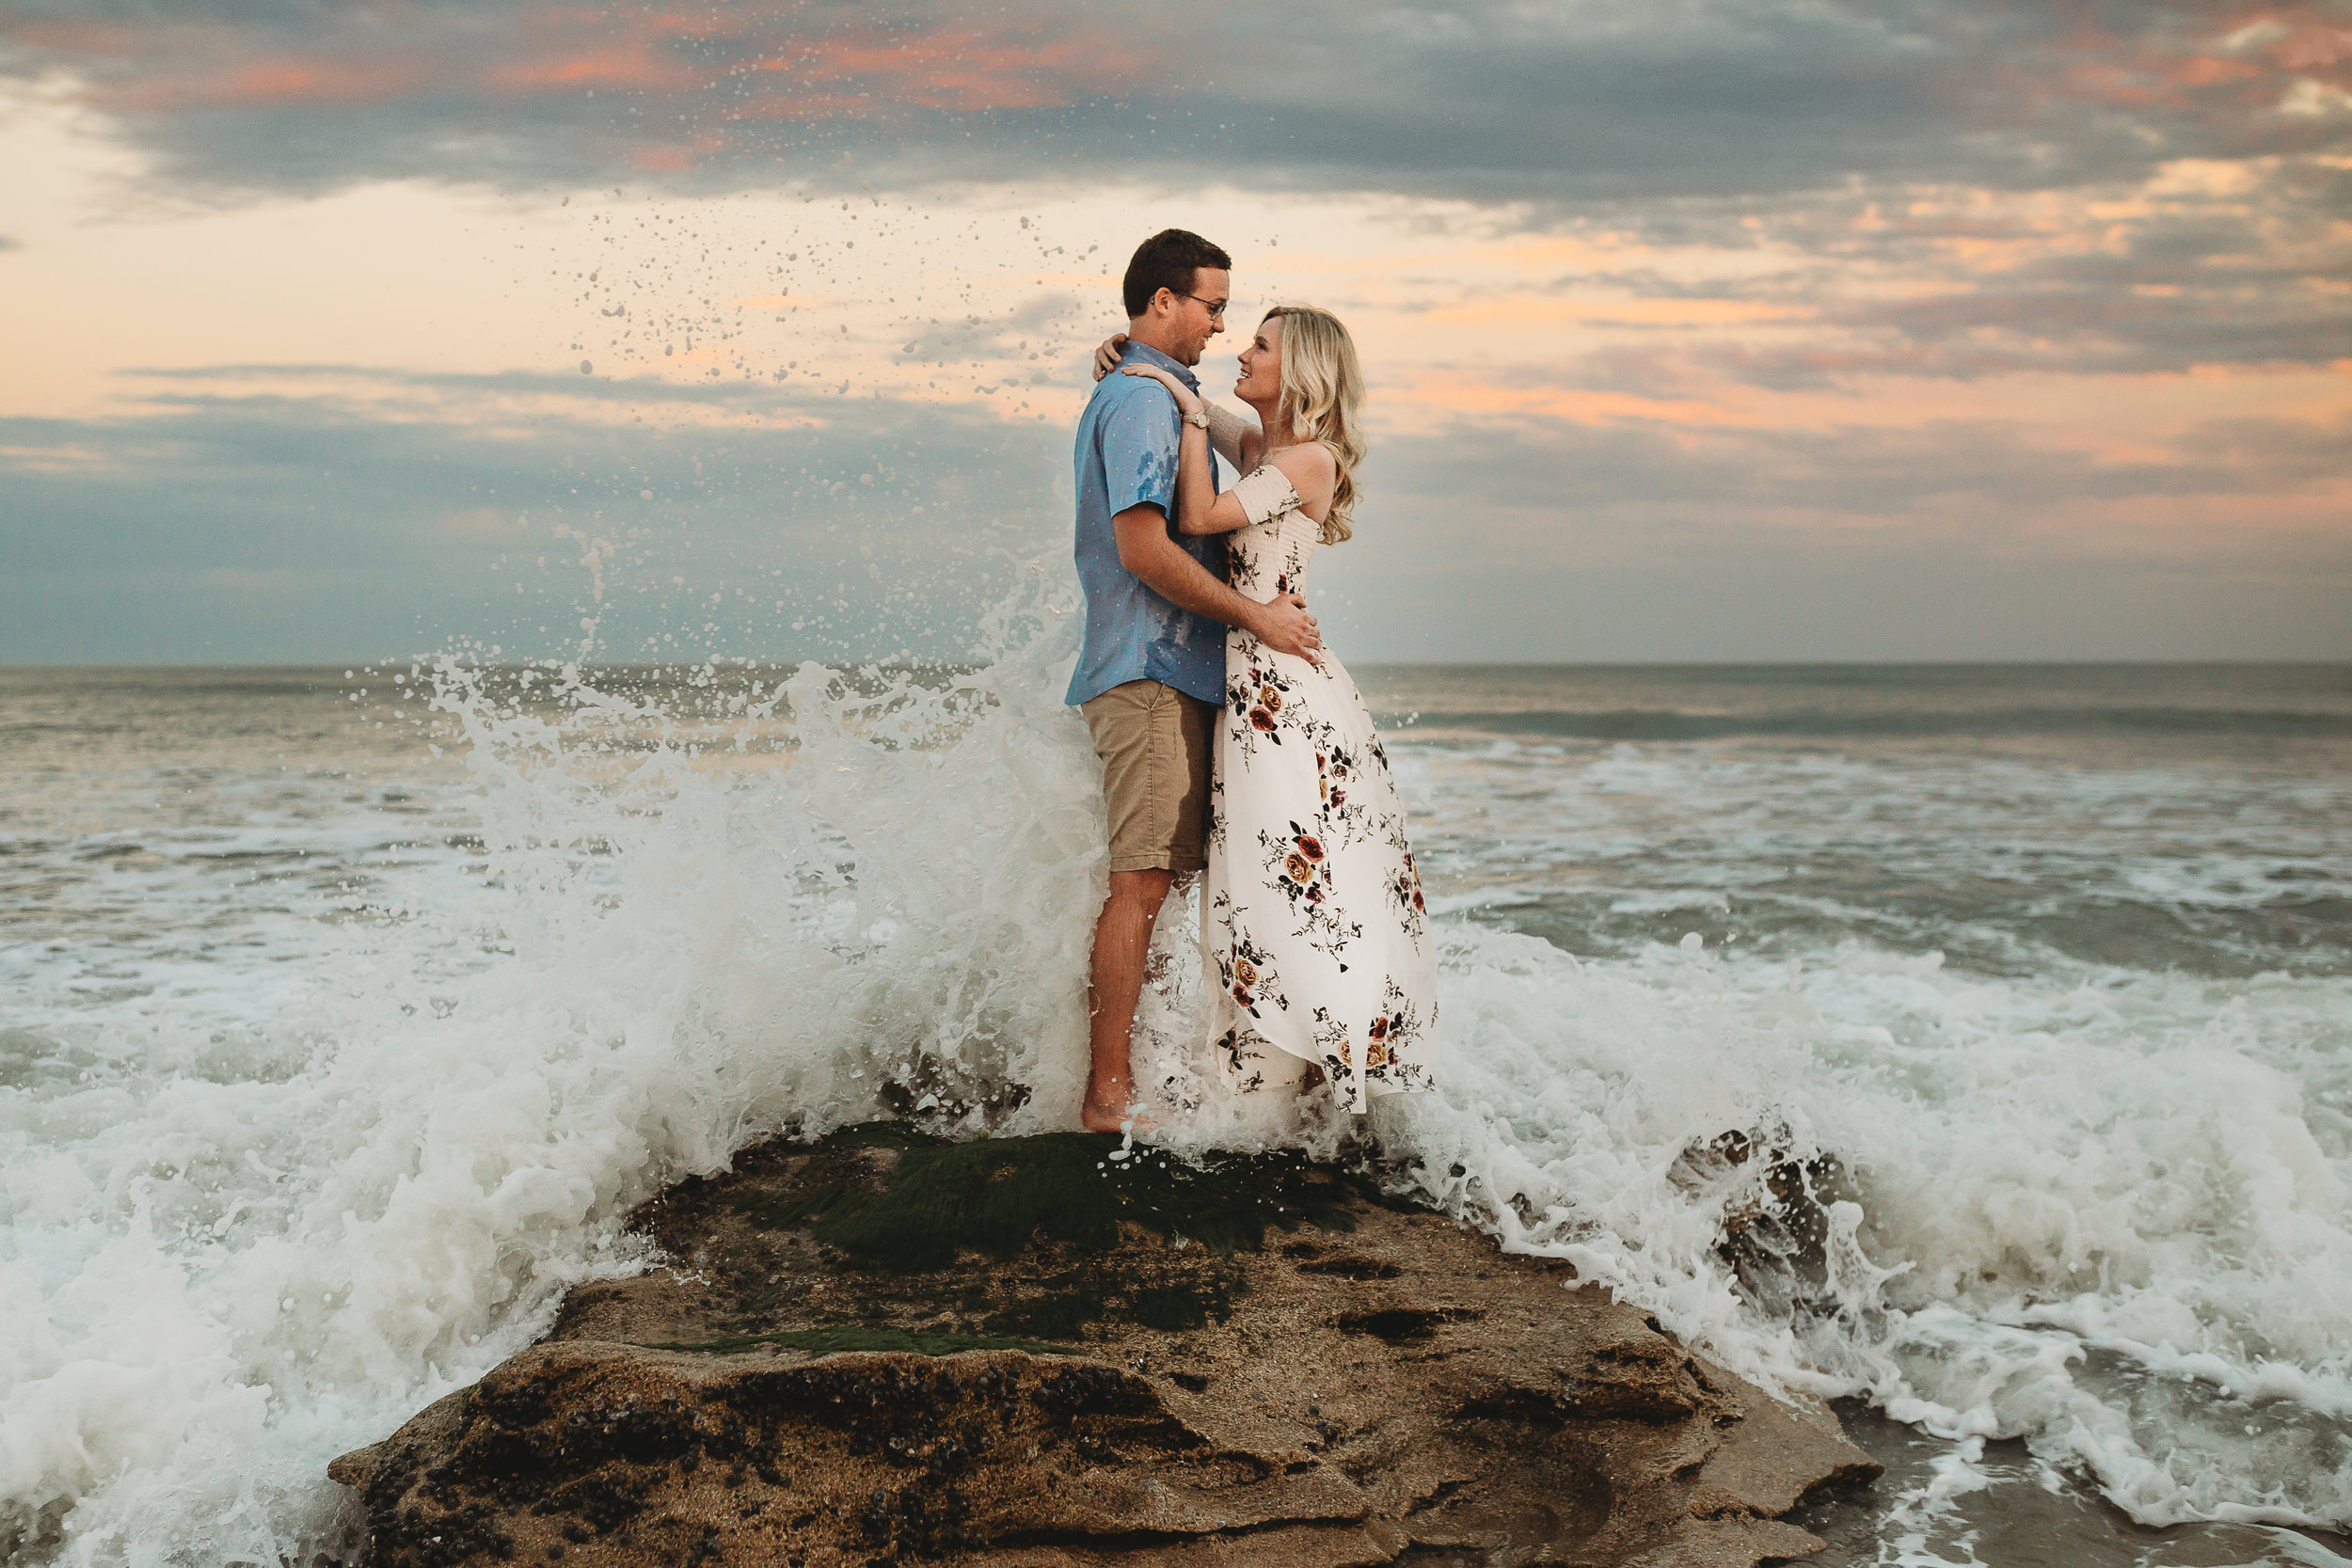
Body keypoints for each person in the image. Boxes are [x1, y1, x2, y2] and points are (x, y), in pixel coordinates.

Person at [1112, 305, 1438, 1114]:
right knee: (1259, 877)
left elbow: (1195, 516)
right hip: (1253, 686)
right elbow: (1203, 406)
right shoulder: (1264, 447)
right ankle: (1266, 1077)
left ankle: (1311, 1068)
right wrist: (1138, 359)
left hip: (1284, 698)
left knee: (1291, 879)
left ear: (1302, 372)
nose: (1242, 353)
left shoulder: (1309, 461)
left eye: (1260, 345)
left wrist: (1183, 413)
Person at [1068, 230, 1323, 1133]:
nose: (1223, 326)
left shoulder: (1159, 394)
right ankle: (1108, 1097)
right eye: (1214, 306)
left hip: (1189, 674)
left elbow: (1212, 426)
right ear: (1164, 301)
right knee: (1140, 883)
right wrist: (1256, 617)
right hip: (1151, 667)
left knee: (1179, 884)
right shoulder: (1140, 403)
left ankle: (1191, 1076)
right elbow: (1145, 548)